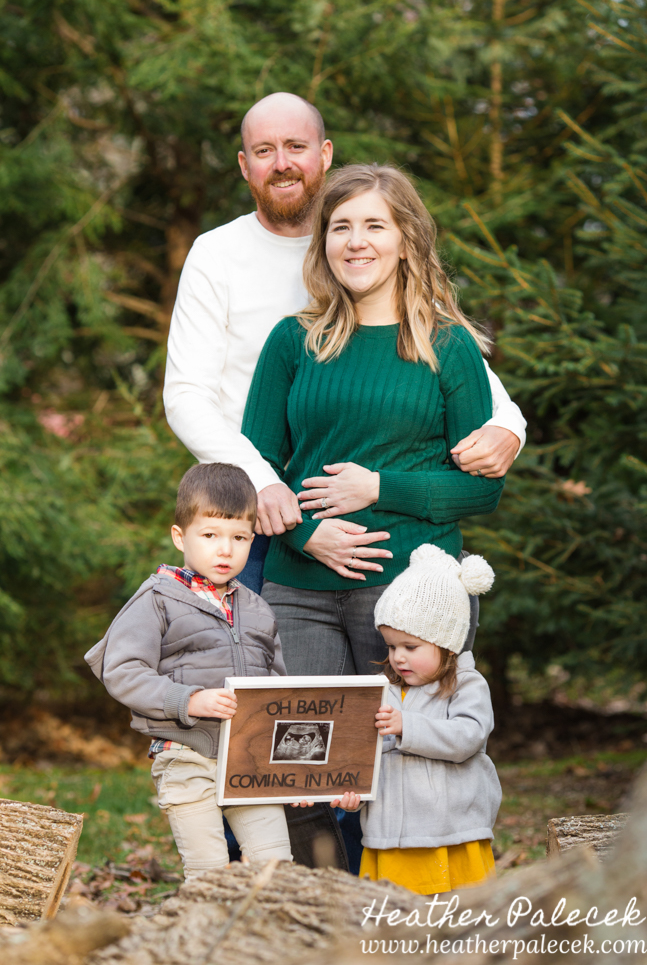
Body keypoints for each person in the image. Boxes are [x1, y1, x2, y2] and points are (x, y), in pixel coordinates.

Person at [163, 93, 526, 600]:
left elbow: (441, 354)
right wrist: (262, 483)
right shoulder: (216, 254)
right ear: (245, 166)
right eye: (264, 151)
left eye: (296, 146)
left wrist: (509, 426)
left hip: (373, 522)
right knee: (257, 672)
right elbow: (185, 395)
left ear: (326, 155)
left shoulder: (362, 248)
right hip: (252, 511)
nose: (282, 163)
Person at [242, 163, 506, 681]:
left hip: (407, 592)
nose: (355, 242)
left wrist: (379, 488)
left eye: (375, 226)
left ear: (407, 241)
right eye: (341, 227)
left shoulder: (449, 347)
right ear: (324, 244)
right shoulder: (292, 340)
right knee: (303, 756)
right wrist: (306, 535)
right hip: (296, 591)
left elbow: (482, 493)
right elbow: (253, 470)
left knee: (402, 753)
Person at [83, 463, 294, 879]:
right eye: (210, 535)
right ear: (180, 536)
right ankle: (199, 941)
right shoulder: (159, 599)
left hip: (248, 760)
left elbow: (278, 690)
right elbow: (122, 670)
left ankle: (267, 942)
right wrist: (188, 700)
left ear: (253, 540)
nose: (225, 550)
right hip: (185, 754)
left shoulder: (257, 609)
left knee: (276, 868)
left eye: (239, 538)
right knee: (209, 870)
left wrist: (291, 767)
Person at [335, 544, 502, 895]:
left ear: (446, 643)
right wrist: (355, 791)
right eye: (392, 646)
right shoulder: (385, 691)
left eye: (411, 647)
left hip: (449, 832)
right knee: (394, 920)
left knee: (456, 917)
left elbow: (467, 737)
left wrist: (406, 727)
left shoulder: (466, 685)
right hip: (389, 835)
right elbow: (368, 754)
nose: (398, 658)